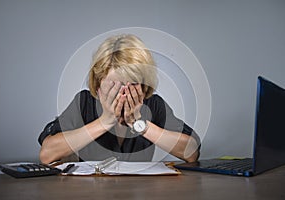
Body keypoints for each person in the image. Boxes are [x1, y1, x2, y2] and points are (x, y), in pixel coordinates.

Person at [38, 34, 200, 164]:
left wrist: (140, 125)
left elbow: (192, 153)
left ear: (144, 87)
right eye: (114, 86)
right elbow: (47, 154)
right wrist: (104, 122)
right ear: (98, 85)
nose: (122, 94)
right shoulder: (84, 103)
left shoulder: (154, 104)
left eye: (132, 86)